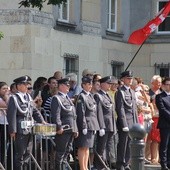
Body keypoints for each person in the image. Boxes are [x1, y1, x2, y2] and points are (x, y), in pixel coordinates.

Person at [7, 75, 46, 170]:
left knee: (28, 153)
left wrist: (42, 121)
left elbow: (35, 111)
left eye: (28, 84)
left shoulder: (28, 97)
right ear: (19, 86)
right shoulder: (14, 98)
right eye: (25, 84)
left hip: (29, 129)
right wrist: (12, 130)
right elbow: (11, 115)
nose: (27, 86)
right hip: (20, 130)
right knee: (20, 154)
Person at [50, 77, 78, 170]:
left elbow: (73, 115)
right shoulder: (56, 98)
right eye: (67, 85)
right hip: (64, 129)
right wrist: (59, 127)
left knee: (67, 151)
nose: (68, 86)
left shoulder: (67, 98)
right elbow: (56, 115)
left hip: (71, 128)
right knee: (60, 153)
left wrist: (75, 128)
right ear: (61, 86)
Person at [75, 76, 100, 170]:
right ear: (83, 85)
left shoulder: (90, 95)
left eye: (91, 84)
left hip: (92, 125)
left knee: (87, 148)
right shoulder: (81, 96)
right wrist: (84, 126)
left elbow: (93, 112)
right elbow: (81, 112)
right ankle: (82, 167)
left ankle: (86, 167)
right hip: (86, 125)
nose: (90, 86)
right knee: (82, 147)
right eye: (88, 84)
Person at [115, 70, 138, 170]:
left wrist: (136, 123)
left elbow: (134, 109)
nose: (130, 80)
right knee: (123, 144)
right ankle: (120, 164)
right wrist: (124, 124)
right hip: (125, 123)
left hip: (132, 121)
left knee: (130, 144)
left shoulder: (132, 91)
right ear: (123, 79)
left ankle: (126, 163)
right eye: (128, 78)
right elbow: (120, 108)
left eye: (131, 78)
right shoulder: (120, 92)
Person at [93, 76, 116, 170]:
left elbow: (111, 112)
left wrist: (114, 126)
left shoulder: (108, 95)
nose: (109, 85)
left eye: (110, 84)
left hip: (110, 124)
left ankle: (106, 164)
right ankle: (99, 166)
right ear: (102, 84)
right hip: (104, 125)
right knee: (101, 147)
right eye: (108, 83)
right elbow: (99, 112)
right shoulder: (98, 96)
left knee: (109, 147)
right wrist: (101, 126)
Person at [145, 75, 162, 164]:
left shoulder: (161, 92)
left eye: (160, 82)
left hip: (160, 118)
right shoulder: (148, 93)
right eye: (158, 82)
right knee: (150, 139)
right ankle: (149, 157)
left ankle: (158, 157)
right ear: (152, 82)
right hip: (150, 118)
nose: (160, 84)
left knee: (158, 139)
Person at [155, 77, 170, 170]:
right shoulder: (159, 96)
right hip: (165, 124)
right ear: (163, 85)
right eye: (167, 84)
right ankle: (163, 164)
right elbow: (162, 109)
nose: (169, 86)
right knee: (164, 144)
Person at [0, 82, 10, 166]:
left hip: (7, 124)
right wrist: (7, 96)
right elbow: (8, 106)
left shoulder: (9, 97)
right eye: (4, 89)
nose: (6, 90)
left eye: (7, 88)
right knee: (1, 146)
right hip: (1, 124)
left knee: (5, 146)